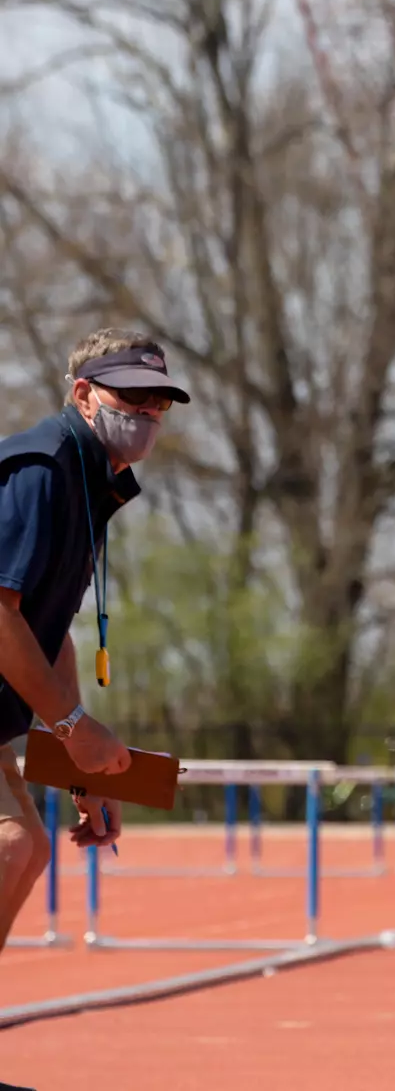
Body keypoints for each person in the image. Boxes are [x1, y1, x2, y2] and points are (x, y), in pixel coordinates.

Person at [0, 328, 189, 956]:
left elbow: (50, 638)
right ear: (84, 394)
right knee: (11, 846)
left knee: (29, 852)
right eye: (132, 397)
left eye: (159, 402)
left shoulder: (88, 487)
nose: (147, 414)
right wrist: (73, 726)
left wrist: (81, 772)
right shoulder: (41, 471)